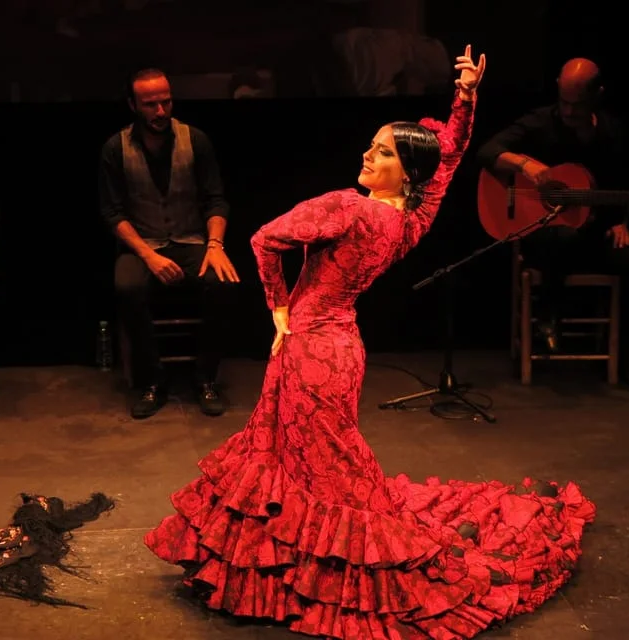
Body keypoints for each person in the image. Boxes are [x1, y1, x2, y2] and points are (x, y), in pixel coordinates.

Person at [144, 46, 596, 639]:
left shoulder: (348, 209)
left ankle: (328, 580)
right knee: (310, 471)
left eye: (383, 151)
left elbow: (262, 240)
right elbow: (449, 154)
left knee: (313, 476)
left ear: (406, 171)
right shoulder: (413, 219)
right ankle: (293, 574)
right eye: (373, 144)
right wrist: (465, 98)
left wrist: (279, 309)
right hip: (342, 346)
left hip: (311, 351)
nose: (368, 153)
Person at [476, 57, 629, 397]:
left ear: (597, 95)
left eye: (577, 105)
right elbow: (487, 151)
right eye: (564, 101)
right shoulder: (540, 122)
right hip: (547, 240)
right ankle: (548, 316)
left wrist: (623, 222)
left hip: (596, 238)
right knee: (562, 234)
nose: (568, 111)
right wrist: (525, 164)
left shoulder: (614, 133)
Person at [99, 67, 240, 420]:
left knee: (223, 283)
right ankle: (152, 381)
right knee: (127, 286)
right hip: (142, 244)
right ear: (133, 105)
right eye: (150, 104)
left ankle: (205, 378)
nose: (160, 111)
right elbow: (113, 214)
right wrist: (149, 256)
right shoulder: (116, 148)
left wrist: (215, 245)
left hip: (190, 239)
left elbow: (216, 200)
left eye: (166, 102)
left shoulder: (196, 140)